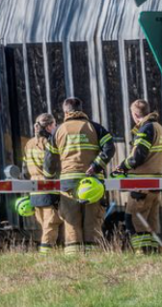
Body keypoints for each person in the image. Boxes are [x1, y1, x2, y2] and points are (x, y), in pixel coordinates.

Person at [47, 98, 115, 254]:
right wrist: (96, 165)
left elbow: (50, 159)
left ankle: (74, 258)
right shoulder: (95, 128)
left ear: (65, 112)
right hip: (92, 182)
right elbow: (110, 148)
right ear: (82, 109)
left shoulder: (59, 130)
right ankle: (93, 257)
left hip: (68, 183)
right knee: (92, 219)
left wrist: (49, 177)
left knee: (71, 220)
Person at [114, 99, 162, 253]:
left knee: (133, 219)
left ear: (135, 114)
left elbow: (138, 156)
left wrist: (121, 167)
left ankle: (142, 252)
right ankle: (153, 251)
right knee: (150, 221)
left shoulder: (146, 129)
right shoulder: (159, 127)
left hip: (141, 184)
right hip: (155, 183)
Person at [23, 113, 62, 254]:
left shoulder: (29, 144)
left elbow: (24, 170)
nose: (56, 127)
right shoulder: (50, 142)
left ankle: (52, 252)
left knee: (44, 224)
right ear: (49, 126)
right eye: (54, 124)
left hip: (34, 191)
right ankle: (45, 256)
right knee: (50, 224)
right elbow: (54, 164)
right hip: (49, 189)